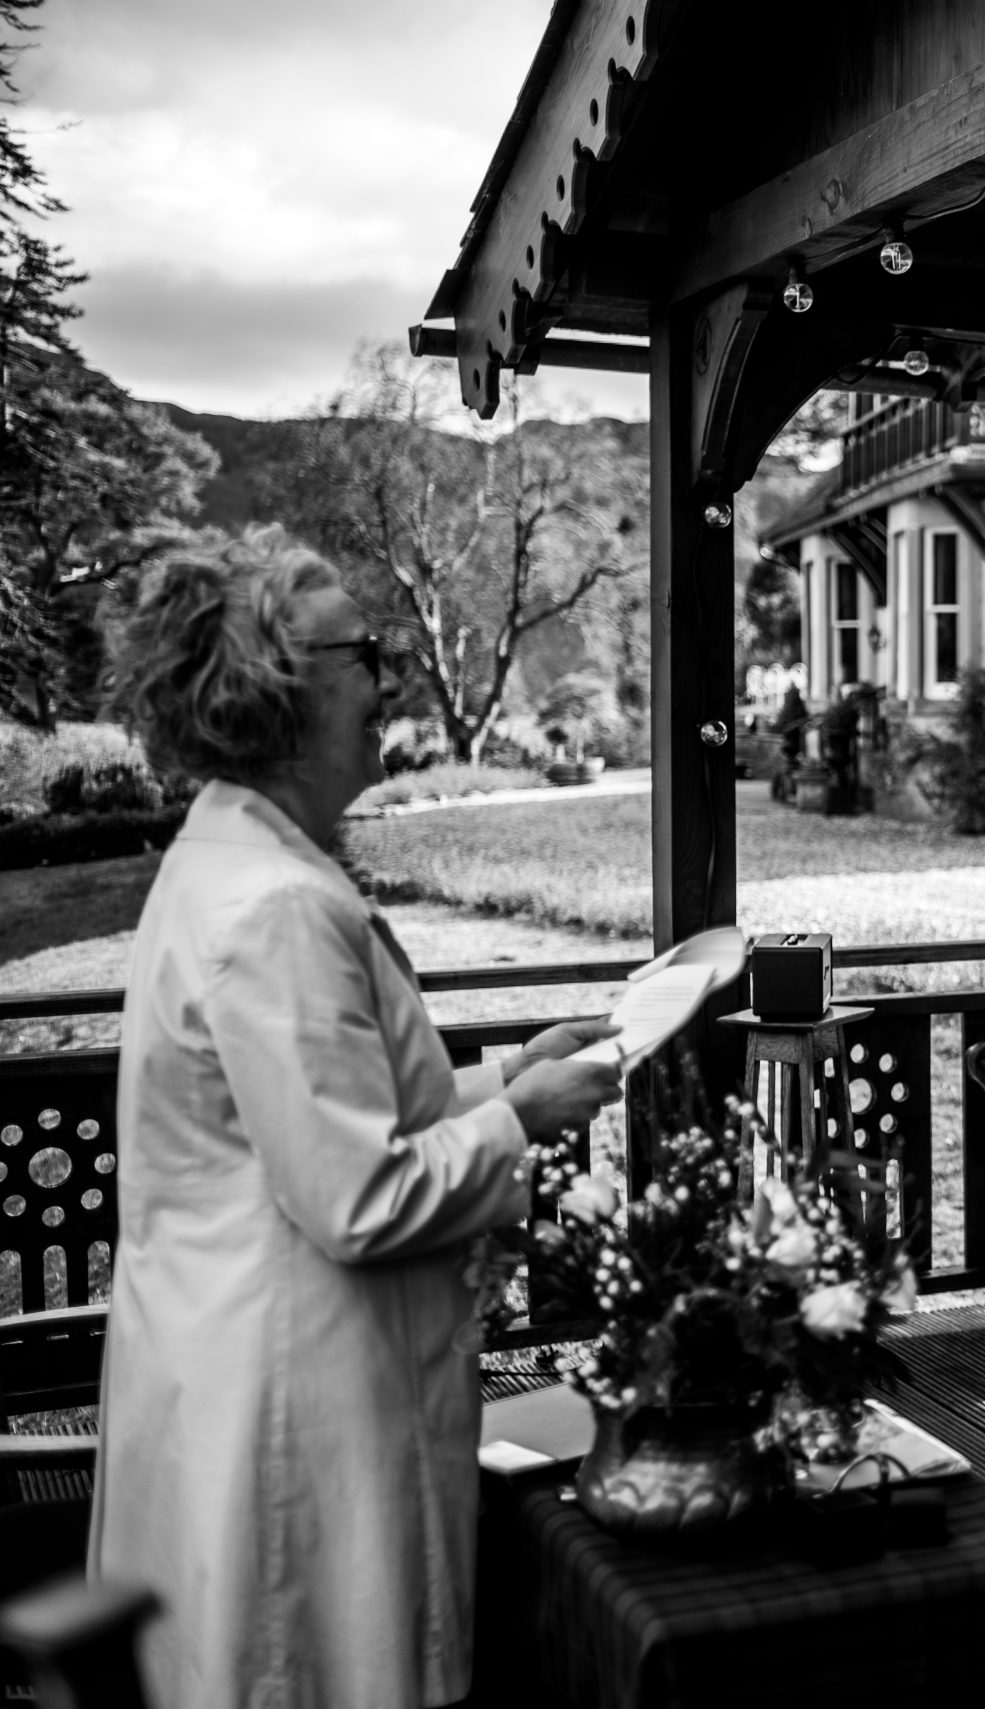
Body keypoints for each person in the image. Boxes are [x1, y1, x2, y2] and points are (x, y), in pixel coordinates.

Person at [90, 531, 625, 1709]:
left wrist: (505, 1075)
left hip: (245, 1366)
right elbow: (358, 1192)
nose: (391, 681)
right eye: (366, 655)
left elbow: (330, 1117)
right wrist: (522, 1119)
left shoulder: (229, 857)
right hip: (290, 1405)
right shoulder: (274, 906)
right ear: (277, 690)